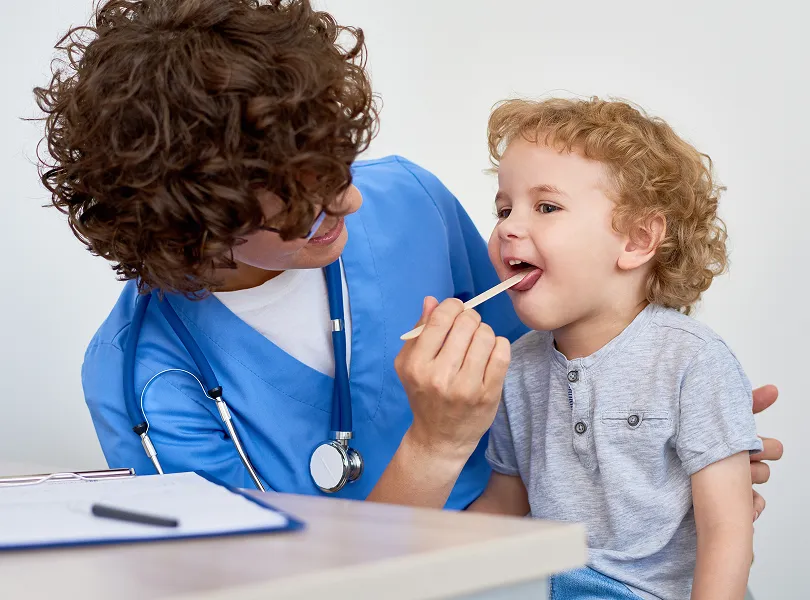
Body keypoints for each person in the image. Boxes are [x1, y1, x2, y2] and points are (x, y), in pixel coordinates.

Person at [34, 0, 781, 513]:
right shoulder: (141, 378)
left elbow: (560, 377)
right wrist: (433, 447)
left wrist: (657, 435)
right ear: (196, 228)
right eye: (305, 206)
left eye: (341, 166)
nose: (350, 204)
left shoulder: (408, 204)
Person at [464, 97, 765, 599]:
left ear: (637, 240)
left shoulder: (692, 362)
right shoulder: (517, 366)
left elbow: (728, 531)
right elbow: (503, 504)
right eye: (503, 208)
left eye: (546, 207)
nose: (508, 227)